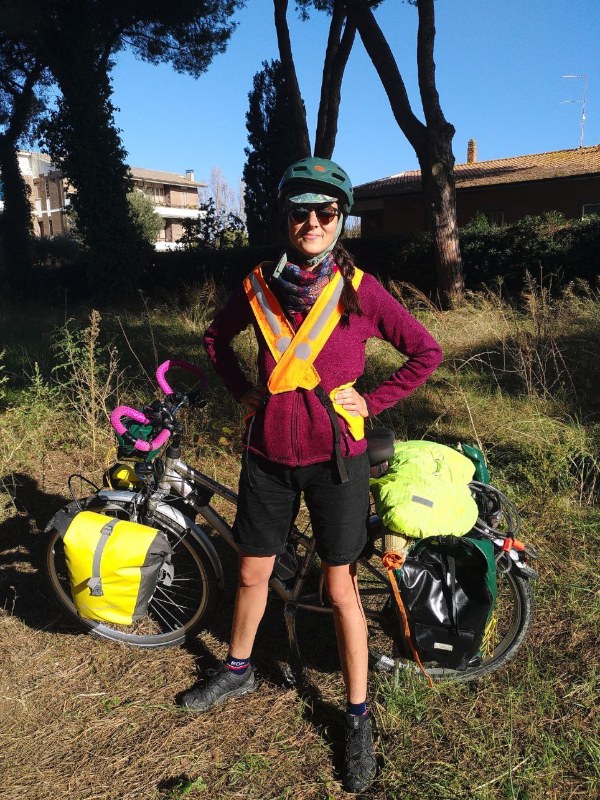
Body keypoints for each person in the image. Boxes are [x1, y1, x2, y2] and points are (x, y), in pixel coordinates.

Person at [181, 157, 443, 793]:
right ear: (286, 219)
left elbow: (425, 351)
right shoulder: (257, 287)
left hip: (336, 463)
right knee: (252, 571)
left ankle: (357, 716)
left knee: (340, 587)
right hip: (268, 457)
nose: (314, 223)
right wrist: (241, 390)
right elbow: (216, 339)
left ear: (340, 219)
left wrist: (371, 402)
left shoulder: (361, 291)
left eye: (326, 212)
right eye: (302, 212)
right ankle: (238, 669)